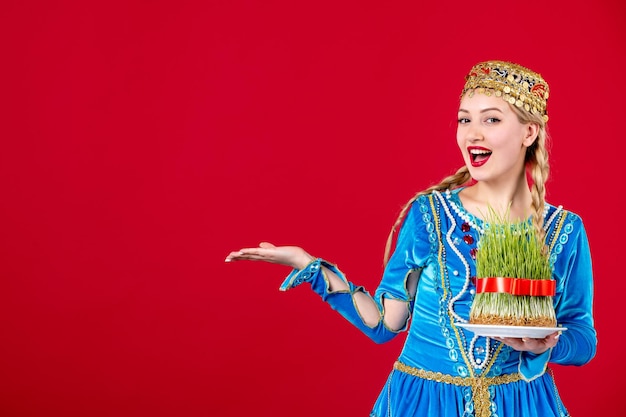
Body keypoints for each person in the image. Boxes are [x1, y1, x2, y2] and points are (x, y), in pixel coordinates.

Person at [224, 60, 597, 417]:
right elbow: (385, 325)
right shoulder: (430, 216)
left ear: (528, 133)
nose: (473, 133)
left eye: (492, 120)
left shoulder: (564, 231)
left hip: (524, 402)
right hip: (425, 402)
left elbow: (582, 336)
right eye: (464, 120)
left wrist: (546, 344)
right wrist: (306, 264)